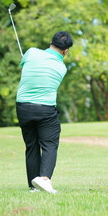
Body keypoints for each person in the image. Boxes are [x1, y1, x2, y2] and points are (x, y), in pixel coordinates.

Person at [16, 31, 73, 193]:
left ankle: (33, 186)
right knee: (49, 143)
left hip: (22, 107)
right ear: (66, 51)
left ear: (50, 42)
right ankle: (45, 179)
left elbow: (23, 66)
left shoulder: (31, 52)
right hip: (45, 109)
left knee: (31, 146)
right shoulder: (62, 68)